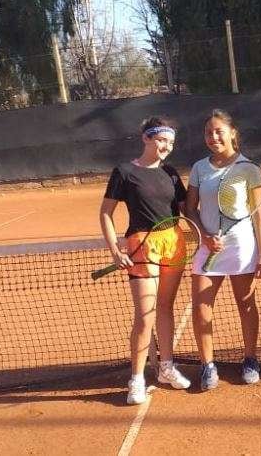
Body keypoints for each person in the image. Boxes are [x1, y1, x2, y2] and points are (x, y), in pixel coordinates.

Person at [99, 117, 191, 405]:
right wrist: (115, 248)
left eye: (171, 143)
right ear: (147, 138)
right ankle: (136, 378)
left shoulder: (171, 173)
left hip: (173, 242)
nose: (166, 146)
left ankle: (166, 367)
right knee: (145, 314)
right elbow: (105, 213)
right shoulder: (125, 172)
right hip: (142, 245)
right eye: (162, 140)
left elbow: (186, 209)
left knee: (165, 307)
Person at [185, 109, 261, 391]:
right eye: (208, 132)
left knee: (246, 304)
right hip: (208, 249)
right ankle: (208, 365)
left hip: (242, 248)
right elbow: (189, 208)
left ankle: (251, 359)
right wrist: (205, 236)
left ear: (232, 133)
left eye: (218, 131)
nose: (213, 137)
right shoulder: (199, 168)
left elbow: (258, 215)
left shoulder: (248, 168)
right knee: (201, 306)